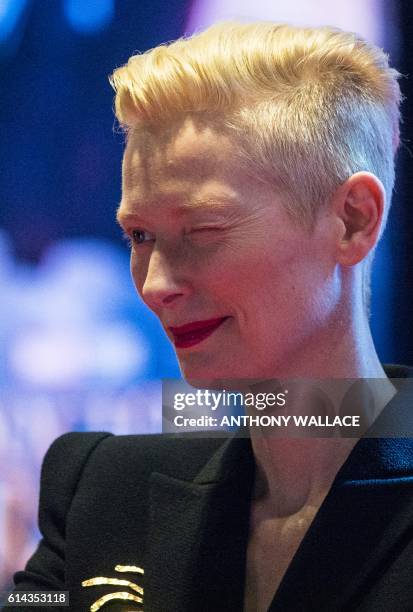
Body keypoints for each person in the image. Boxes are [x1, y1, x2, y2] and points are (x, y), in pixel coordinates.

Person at [5, 21, 413, 612]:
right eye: (139, 235)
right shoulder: (103, 491)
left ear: (352, 220)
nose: (156, 285)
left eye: (203, 232)